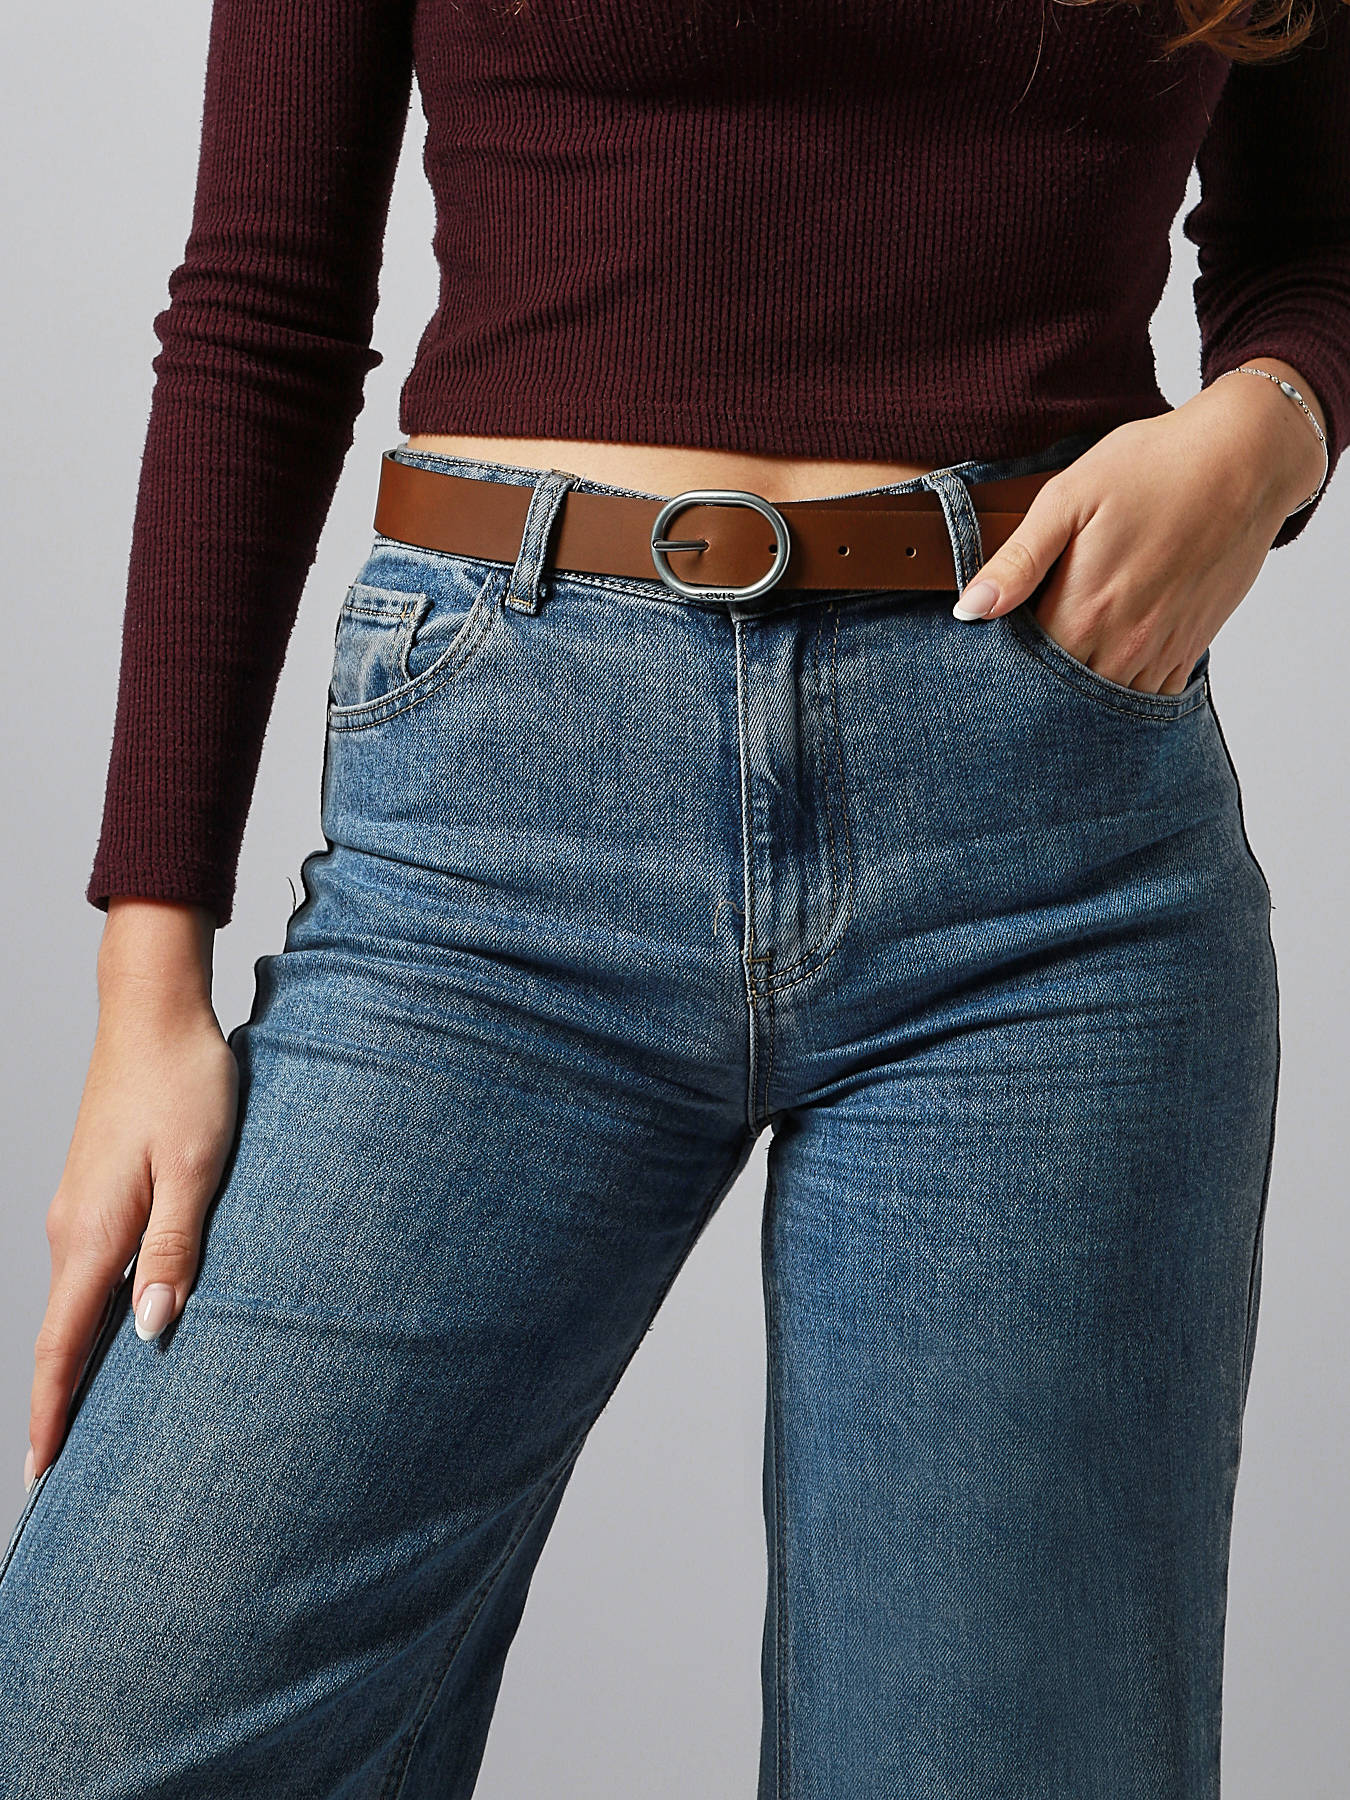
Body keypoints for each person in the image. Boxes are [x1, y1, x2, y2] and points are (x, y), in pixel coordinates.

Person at [2, 0, 1345, 1791]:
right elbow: (263, 303)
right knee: (94, 1732)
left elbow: (1318, 242)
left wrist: (1268, 429)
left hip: (1045, 855)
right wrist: (146, 985)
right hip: (496, 833)